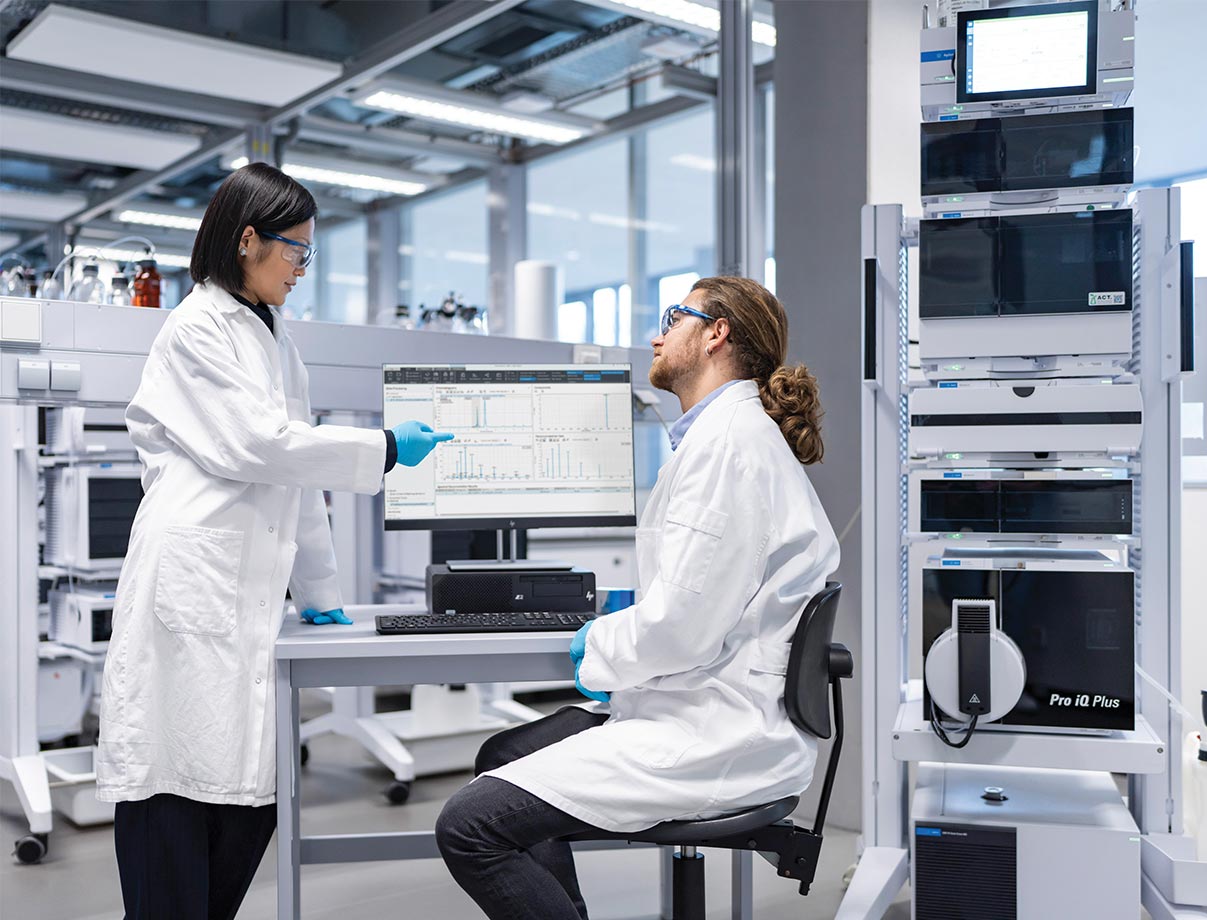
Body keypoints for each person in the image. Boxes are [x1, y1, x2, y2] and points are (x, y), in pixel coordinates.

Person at [96, 162, 453, 920]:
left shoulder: (273, 336)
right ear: (248, 240)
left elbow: (297, 476)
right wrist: (384, 446)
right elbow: (259, 446)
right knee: (175, 789)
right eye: (297, 251)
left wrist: (322, 594)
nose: (302, 269)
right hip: (189, 580)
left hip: (240, 588)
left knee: (245, 801)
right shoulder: (196, 328)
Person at [435, 275, 841, 920]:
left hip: (715, 729)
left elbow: (681, 631)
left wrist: (597, 642)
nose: (655, 334)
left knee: (470, 827)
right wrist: (631, 620)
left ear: (716, 334)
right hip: (705, 701)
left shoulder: (729, 448)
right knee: (503, 754)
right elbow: (700, 596)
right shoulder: (725, 437)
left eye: (673, 317)